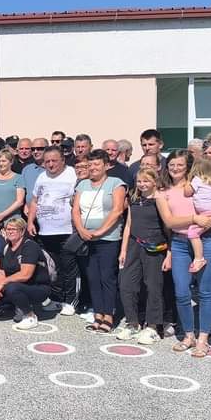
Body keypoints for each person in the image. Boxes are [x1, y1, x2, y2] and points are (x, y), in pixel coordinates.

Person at [155, 150, 211, 357]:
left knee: (206, 291)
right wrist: (195, 219)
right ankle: (188, 335)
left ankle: (203, 338)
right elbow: (170, 222)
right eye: (172, 165)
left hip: (208, 240)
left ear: (188, 166)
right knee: (181, 292)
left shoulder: (200, 183)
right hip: (179, 243)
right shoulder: (162, 191)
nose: (175, 168)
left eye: (180, 164)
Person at [72, 149, 127, 334]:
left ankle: (109, 315)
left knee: (107, 277)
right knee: (93, 277)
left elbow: (117, 210)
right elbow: (75, 210)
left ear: (106, 165)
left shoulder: (116, 183)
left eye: (96, 164)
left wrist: (100, 231)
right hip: (86, 238)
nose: (92, 168)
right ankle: (97, 314)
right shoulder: (82, 185)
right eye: (90, 164)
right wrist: (81, 230)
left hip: (108, 238)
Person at [116, 167, 169, 344]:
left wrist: (169, 253)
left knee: (153, 286)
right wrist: (123, 250)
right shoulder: (134, 198)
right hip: (133, 245)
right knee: (126, 284)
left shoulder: (159, 199)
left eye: (146, 181)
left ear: (155, 181)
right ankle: (132, 322)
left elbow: (168, 228)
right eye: (139, 181)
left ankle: (153, 326)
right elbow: (129, 225)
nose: (142, 184)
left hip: (154, 247)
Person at [28, 146, 79, 316]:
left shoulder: (72, 174)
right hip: (45, 232)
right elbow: (35, 201)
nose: (50, 164)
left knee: (69, 268)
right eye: (47, 161)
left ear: (63, 160)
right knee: (52, 269)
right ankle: (56, 299)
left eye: (54, 161)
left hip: (67, 230)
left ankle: (71, 301)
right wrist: (30, 222)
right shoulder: (41, 177)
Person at [0, 217, 51, 328]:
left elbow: (25, 274)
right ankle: (8, 308)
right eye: (8, 229)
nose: (10, 231)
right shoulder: (6, 247)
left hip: (38, 287)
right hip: (17, 286)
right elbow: (1, 271)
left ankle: (30, 316)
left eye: (14, 229)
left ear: (22, 231)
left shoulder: (30, 246)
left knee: (12, 288)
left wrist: (4, 282)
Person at [183, 157, 211, 273]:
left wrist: (188, 181)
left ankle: (199, 258)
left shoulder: (197, 180)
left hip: (206, 214)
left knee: (193, 233)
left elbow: (187, 193)